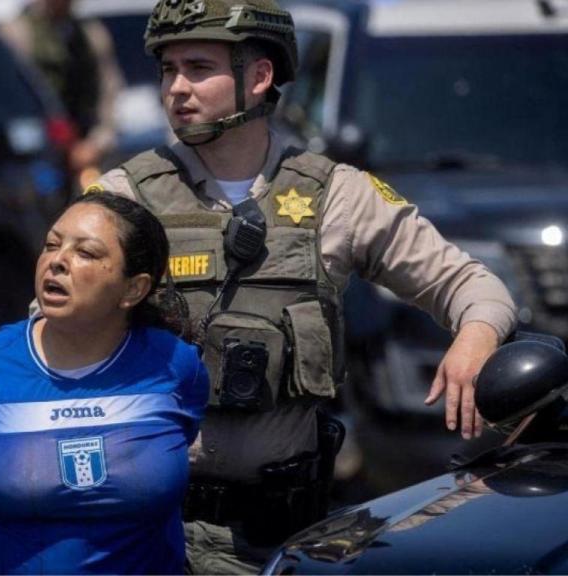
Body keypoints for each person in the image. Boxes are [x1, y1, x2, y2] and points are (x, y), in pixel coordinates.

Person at [83, 0, 517, 572]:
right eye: (167, 70)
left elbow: (475, 286)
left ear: (259, 77)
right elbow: (47, 336)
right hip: (151, 533)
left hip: (288, 536)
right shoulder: (124, 196)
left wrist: (476, 338)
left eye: (197, 68)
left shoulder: (337, 194)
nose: (176, 89)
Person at [0, 192, 209, 574]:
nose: (57, 261)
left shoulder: (176, 364)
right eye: (51, 245)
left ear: (133, 289)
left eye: (86, 253)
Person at [0, 0, 124, 188]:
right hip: (35, 153)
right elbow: (7, 99)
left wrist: (97, 142)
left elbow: (110, 92)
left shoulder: (91, 35)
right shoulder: (16, 33)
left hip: (82, 150)